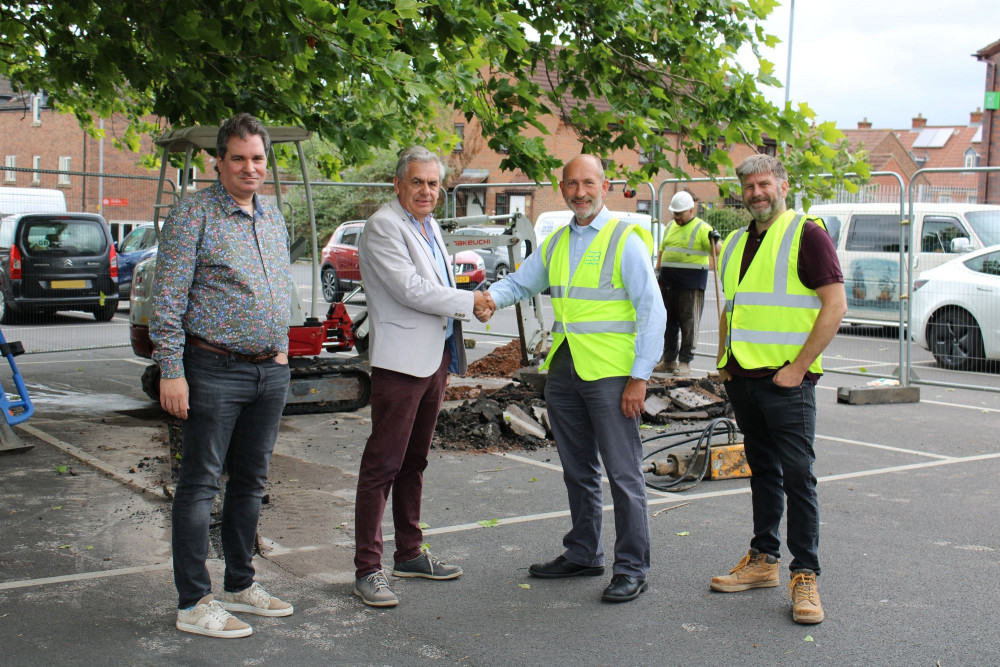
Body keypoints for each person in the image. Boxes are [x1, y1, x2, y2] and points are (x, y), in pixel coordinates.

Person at [483, 154, 666, 603]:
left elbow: (652, 311)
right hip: (565, 368)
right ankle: (584, 552)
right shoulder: (559, 241)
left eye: (588, 183)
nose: (580, 192)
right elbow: (523, 283)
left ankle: (631, 567)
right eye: (571, 184)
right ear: (561, 187)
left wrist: (639, 377)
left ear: (604, 185)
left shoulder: (626, 239)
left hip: (612, 373)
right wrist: (486, 298)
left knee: (623, 474)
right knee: (577, 469)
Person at [151, 113, 295, 639]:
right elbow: (166, 300)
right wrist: (172, 371)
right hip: (211, 369)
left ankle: (240, 584)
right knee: (199, 486)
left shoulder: (272, 214)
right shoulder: (194, 215)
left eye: (258, 158)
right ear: (219, 162)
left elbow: (279, 287)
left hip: (268, 371)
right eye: (238, 158)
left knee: (252, 483)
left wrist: (280, 346)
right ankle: (194, 602)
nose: (250, 167)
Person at [352, 146, 494, 608]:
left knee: (415, 462)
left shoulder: (428, 224)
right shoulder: (383, 226)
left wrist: (469, 301)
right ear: (398, 184)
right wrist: (468, 302)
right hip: (400, 365)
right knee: (382, 466)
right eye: (418, 182)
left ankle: (409, 552)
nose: (427, 191)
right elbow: (410, 289)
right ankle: (367, 569)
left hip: (433, 359)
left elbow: (436, 286)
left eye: (433, 184)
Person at [711, 153, 847, 625]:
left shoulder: (807, 234)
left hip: (787, 381)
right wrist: (724, 359)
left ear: (783, 186)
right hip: (744, 378)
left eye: (764, 185)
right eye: (748, 187)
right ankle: (763, 560)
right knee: (763, 471)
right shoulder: (733, 242)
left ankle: (805, 575)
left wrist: (799, 367)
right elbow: (734, 305)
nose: (756, 194)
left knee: (798, 478)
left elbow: (835, 305)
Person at [653, 191, 720, 377]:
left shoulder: (702, 228)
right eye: (674, 213)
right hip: (668, 283)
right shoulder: (670, 227)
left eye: (680, 214)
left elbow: (717, 251)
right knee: (668, 323)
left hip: (691, 285)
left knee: (689, 324)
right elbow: (662, 251)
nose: (677, 217)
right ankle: (668, 360)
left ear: (691, 210)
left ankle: (684, 362)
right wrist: (658, 274)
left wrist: (715, 240)